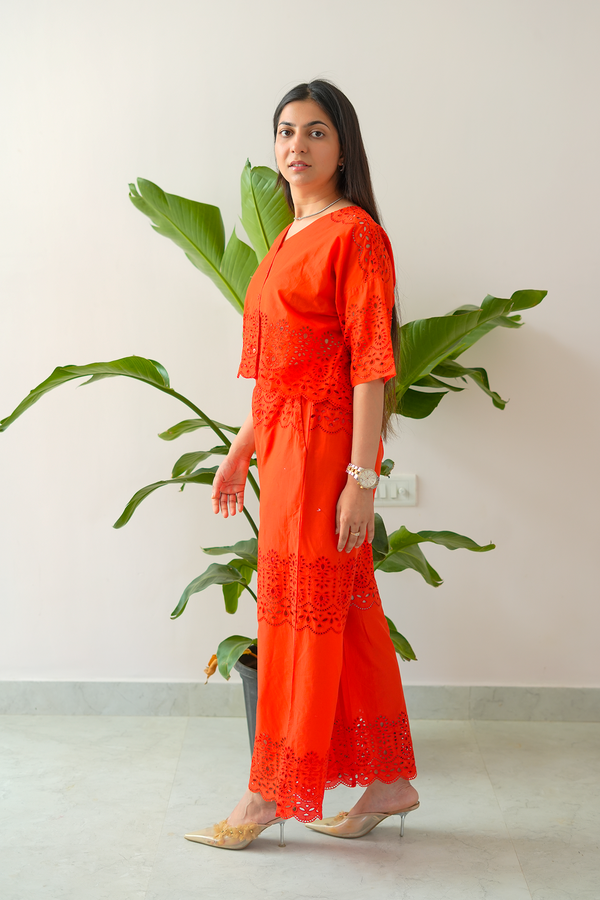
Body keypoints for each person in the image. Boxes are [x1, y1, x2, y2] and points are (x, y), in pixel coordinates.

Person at [185, 80, 418, 851]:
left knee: (300, 620)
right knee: (342, 612)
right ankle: (388, 782)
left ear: (342, 147)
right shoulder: (287, 235)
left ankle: (268, 795)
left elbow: (369, 367)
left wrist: (361, 479)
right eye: (286, 131)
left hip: (326, 452)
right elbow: (281, 369)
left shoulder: (355, 235)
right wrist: (238, 449)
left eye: (316, 132)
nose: (297, 146)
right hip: (283, 445)